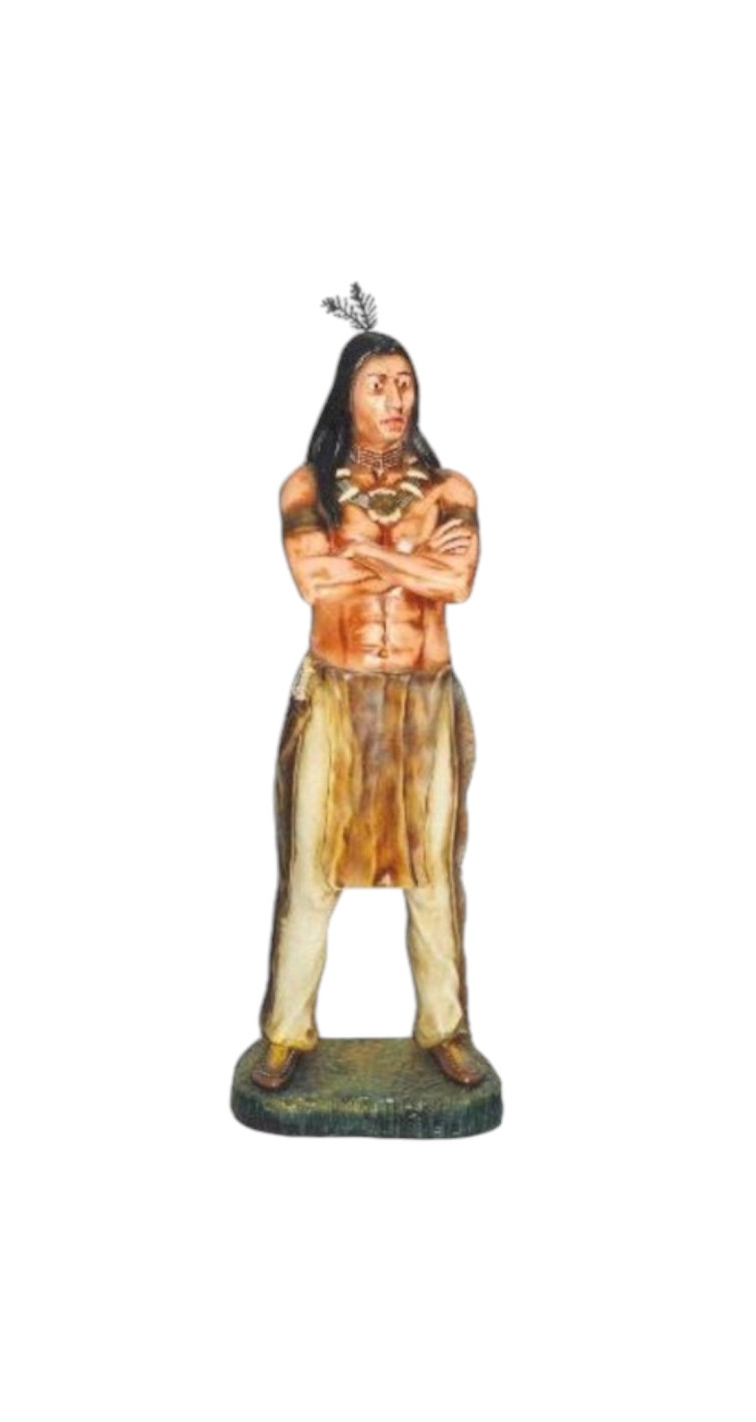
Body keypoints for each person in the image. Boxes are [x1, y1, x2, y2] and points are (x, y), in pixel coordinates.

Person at [252, 320, 486, 1091]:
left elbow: (456, 583)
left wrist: (362, 552)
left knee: (433, 876)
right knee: (311, 869)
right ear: (346, 395)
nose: (395, 399)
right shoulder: (307, 488)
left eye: (405, 384)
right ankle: (286, 1032)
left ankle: (445, 1027)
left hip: (424, 701)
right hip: (337, 697)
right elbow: (312, 580)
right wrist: (412, 561)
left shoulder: (450, 490)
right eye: (378, 384)